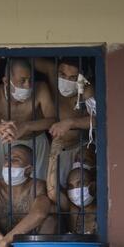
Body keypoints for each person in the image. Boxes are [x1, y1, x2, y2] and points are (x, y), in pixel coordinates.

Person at [0, 58, 56, 180]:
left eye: (30, 80)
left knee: (38, 189)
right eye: (22, 81)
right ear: (6, 81)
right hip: (4, 144)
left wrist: (26, 126)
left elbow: (53, 120)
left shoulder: (41, 89)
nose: (28, 85)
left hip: (36, 143)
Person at [36, 57, 97, 186]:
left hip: (80, 147)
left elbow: (97, 120)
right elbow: (24, 55)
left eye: (73, 78)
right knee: (52, 190)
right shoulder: (52, 72)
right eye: (62, 74)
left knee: (79, 188)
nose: (66, 80)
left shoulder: (87, 89)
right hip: (56, 146)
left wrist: (70, 123)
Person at [45, 145, 97, 234]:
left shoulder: (104, 207)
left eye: (81, 183)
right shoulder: (72, 207)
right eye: (70, 186)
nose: (75, 190)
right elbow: (53, 191)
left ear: (93, 185)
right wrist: (53, 156)